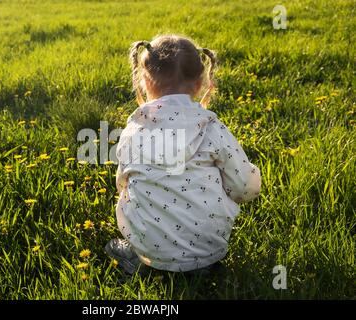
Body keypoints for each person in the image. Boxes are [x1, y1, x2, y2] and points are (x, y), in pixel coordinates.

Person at [105, 35, 261, 274]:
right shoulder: (211, 128)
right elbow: (246, 188)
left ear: (145, 81)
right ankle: (200, 265)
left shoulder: (132, 131)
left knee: (129, 192)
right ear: (200, 83)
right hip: (209, 250)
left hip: (150, 248)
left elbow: (121, 184)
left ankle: (146, 258)